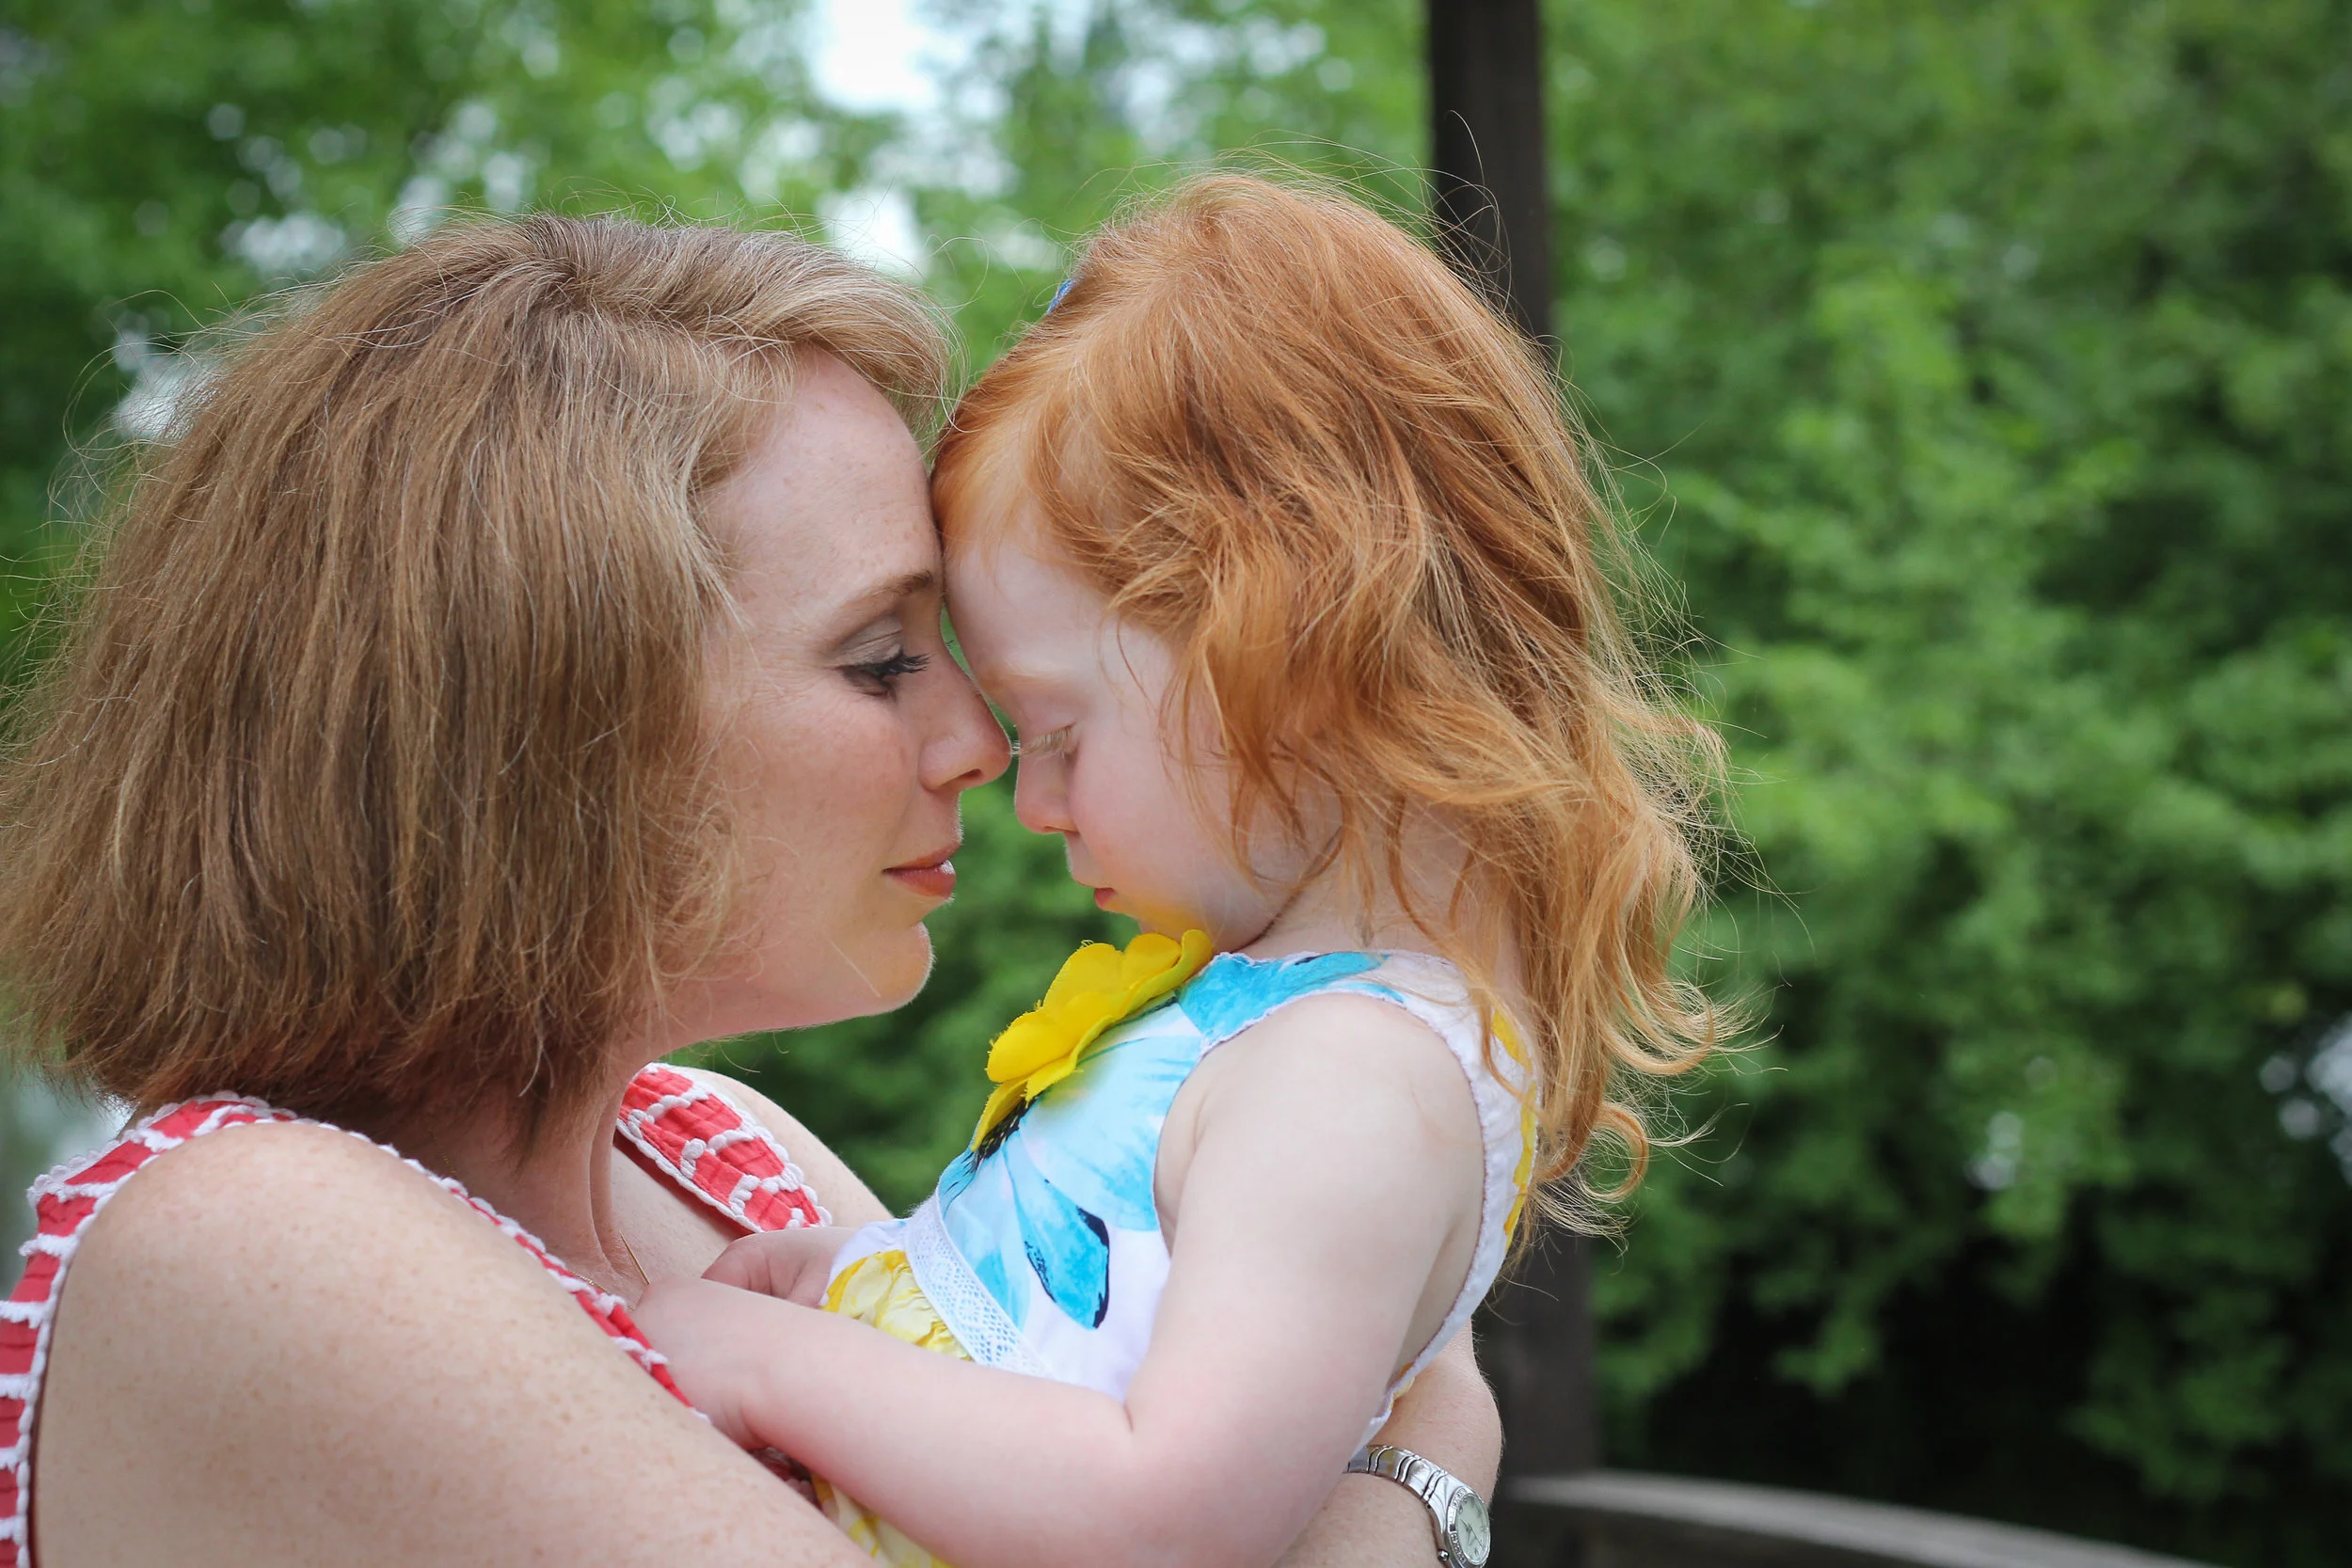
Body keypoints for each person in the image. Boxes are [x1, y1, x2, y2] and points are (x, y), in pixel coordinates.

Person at [0, 212, 1496, 1568]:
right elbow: (1300, 1441)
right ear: (557, 730)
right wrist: (1423, 1448)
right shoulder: (252, 1234)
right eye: (882, 659)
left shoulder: (718, 1157)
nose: (979, 742)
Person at [634, 174, 1723, 1568]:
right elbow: (1078, 1349)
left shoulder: (1352, 1081)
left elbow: (1165, 1514)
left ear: (1294, 653)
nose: (1027, 795)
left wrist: (773, 1364)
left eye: (1057, 730)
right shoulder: (1288, 1028)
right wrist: (869, 1277)